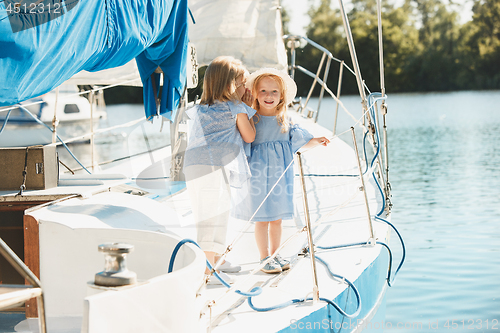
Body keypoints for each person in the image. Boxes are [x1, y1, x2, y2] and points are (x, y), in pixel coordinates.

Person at [232, 68, 330, 274]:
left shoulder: (284, 120)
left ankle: (276, 254)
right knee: (262, 218)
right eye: (264, 91)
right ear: (255, 94)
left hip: (279, 177)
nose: (269, 96)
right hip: (258, 177)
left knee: (276, 218)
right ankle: (264, 256)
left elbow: (300, 141)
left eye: (274, 92)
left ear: (282, 95)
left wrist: (316, 141)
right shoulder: (253, 118)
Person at [183, 56, 256, 284]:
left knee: (210, 214)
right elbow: (249, 136)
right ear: (230, 86)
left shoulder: (201, 107)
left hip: (195, 166)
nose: (246, 88)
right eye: (243, 83)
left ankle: (217, 259)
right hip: (213, 167)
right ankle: (207, 272)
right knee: (213, 217)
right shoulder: (236, 108)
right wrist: (250, 106)